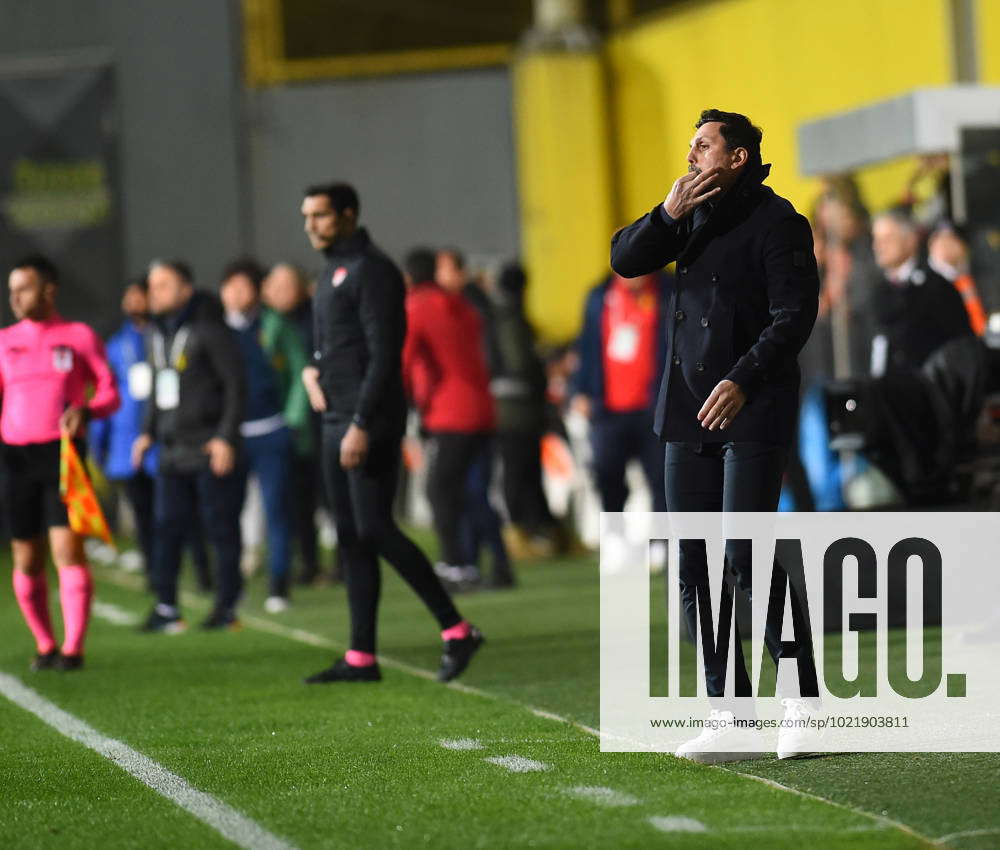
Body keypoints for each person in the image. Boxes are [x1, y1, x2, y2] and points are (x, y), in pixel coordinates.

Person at [610, 109, 820, 762]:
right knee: (694, 564)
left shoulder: (780, 222)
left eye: (703, 146)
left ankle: (804, 703)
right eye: (691, 145)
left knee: (746, 558)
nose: (692, 155)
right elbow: (625, 260)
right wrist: (665, 216)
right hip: (685, 412)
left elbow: (794, 316)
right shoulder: (690, 214)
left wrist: (743, 378)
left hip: (750, 407)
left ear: (738, 157)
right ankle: (732, 713)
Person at [299, 182, 482, 683]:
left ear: (349, 214)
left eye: (321, 216)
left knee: (376, 528)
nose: (311, 225)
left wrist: (360, 422)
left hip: (367, 419)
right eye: (307, 216)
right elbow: (333, 345)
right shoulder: (329, 272)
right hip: (335, 416)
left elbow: (385, 355)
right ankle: (361, 656)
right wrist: (312, 370)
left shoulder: (373, 271)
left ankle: (457, 629)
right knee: (352, 537)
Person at [1, 254, 120, 671]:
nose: (14, 297)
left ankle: (73, 648)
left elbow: (109, 391)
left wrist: (86, 411)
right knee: (26, 558)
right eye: (11, 289)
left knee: (67, 549)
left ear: (49, 290)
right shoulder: (4, 341)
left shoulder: (78, 335)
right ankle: (45, 643)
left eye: (24, 288)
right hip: (16, 458)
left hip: (63, 455)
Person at [132, 260, 246, 632]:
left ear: (186, 289)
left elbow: (235, 385)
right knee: (166, 528)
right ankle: (166, 607)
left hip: (207, 446)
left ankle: (226, 607)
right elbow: (155, 391)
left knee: (220, 528)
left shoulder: (209, 330)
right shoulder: (155, 335)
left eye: (163, 285)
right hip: (171, 449)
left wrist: (225, 437)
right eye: (152, 286)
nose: (154, 293)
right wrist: (146, 432)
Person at [89, 277, 214, 591]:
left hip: (168, 439)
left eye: (140, 296)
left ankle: (202, 572)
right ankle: (154, 576)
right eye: (128, 297)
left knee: (181, 513)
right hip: (127, 442)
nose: (134, 303)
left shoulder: (165, 338)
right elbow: (106, 392)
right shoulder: (116, 345)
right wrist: (99, 441)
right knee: (143, 515)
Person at [401, 247, 511, 589]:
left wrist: (405, 400)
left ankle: (455, 564)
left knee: (440, 490)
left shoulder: (417, 306)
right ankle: (498, 566)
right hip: (482, 409)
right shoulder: (464, 306)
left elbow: (405, 360)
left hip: (450, 413)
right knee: (476, 493)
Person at [220, 258, 310, 612]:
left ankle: (278, 586)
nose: (236, 293)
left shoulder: (274, 325)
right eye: (230, 286)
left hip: (272, 432)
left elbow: (300, 369)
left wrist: (292, 421)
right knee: (229, 514)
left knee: (277, 512)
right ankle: (232, 586)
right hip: (231, 436)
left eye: (244, 286)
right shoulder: (215, 330)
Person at [572, 267, 671, 515]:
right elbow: (587, 346)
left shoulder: (670, 290)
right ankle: (615, 542)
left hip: (656, 408)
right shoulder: (598, 296)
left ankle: (663, 547)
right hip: (608, 410)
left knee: (663, 481)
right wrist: (581, 389)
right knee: (607, 479)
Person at [262, 262, 334, 585]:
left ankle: (346, 563)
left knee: (332, 496)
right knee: (298, 501)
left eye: (286, 286)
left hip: (321, 421)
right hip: (284, 427)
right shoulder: (266, 325)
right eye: (274, 286)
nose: (279, 293)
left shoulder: (318, 319)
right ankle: (308, 562)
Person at [489, 262, 560, 556]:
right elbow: (520, 363)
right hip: (517, 410)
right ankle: (523, 532)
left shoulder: (499, 316)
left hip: (510, 410)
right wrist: (540, 368)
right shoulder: (512, 320)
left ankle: (533, 531)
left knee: (521, 471)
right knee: (521, 472)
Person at [868, 210, 972, 376]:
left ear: (910, 240)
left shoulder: (936, 287)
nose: (878, 246)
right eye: (876, 239)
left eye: (887, 239)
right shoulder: (875, 292)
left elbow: (960, 345)